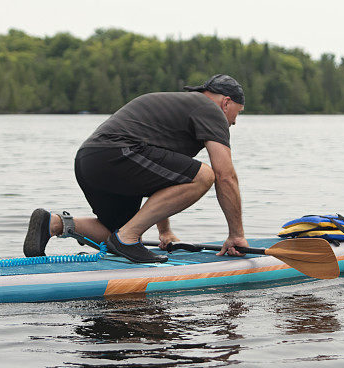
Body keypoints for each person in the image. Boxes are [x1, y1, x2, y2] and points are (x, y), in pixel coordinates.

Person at [23, 74, 248, 264]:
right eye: (235, 115)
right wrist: (236, 235)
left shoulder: (180, 108)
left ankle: (53, 223)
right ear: (226, 103)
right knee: (204, 175)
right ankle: (128, 238)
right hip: (117, 154)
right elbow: (225, 176)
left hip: (89, 160)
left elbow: (167, 179)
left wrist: (164, 232)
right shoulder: (211, 110)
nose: (233, 123)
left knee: (113, 232)